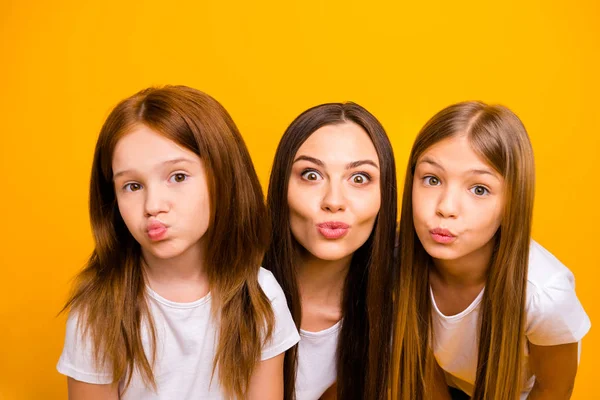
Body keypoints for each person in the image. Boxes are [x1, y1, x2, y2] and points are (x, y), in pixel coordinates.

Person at [57, 85, 299, 399]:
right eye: (132, 186)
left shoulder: (259, 297)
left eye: (178, 177)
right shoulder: (98, 310)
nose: (153, 205)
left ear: (223, 176)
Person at [391, 101, 591, 399]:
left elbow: (553, 387)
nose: (446, 207)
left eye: (479, 189)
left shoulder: (544, 295)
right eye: (432, 179)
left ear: (512, 201)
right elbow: (423, 364)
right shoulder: (395, 257)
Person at [263, 102, 398, 400]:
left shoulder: (394, 310)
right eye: (311, 175)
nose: (333, 201)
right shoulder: (235, 292)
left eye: (359, 178)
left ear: (384, 197)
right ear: (280, 187)